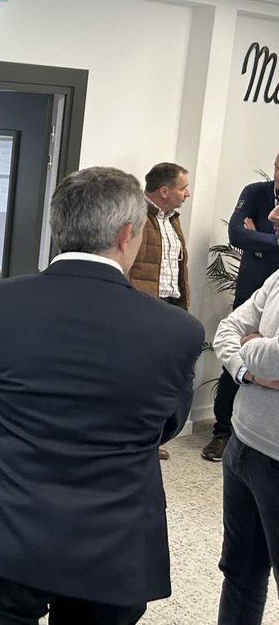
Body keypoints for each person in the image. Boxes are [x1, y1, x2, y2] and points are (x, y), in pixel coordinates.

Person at [0, 166, 204, 625]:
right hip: (111, 541)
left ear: (58, 227)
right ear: (125, 235)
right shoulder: (177, 330)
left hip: (5, 524)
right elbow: (168, 425)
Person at [213, 204, 279, 624]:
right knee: (239, 574)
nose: (272, 215)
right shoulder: (276, 277)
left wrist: (252, 344)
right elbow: (226, 330)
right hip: (243, 446)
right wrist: (247, 372)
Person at [207, 155, 279, 463]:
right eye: (278, 166)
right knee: (231, 363)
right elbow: (237, 235)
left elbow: (250, 237)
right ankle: (223, 431)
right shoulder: (256, 192)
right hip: (255, 289)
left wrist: (260, 240)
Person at [126, 161, 191, 459]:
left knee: (163, 376)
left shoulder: (172, 219)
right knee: (140, 375)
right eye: (183, 188)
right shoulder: (135, 215)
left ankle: (154, 436)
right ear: (164, 191)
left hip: (169, 306)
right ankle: (137, 436)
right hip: (142, 307)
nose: (187, 194)